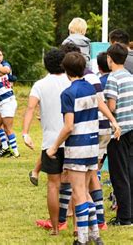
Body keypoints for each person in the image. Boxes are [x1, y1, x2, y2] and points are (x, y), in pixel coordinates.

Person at [47, 52, 120, 244]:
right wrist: (113, 122)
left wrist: (54, 147)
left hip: (77, 147)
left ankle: (82, 238)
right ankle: (95, 235)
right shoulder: (91, 87)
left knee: (78, 193)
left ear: (66, 70)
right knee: (86, 191)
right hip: (92, 145)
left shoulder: (68, 93)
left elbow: (69, 126)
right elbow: (101, 104)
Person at [22, 48, 71, 235]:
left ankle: (56, 228)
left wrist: (25, 132)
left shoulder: (39, 85)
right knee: (73, 182)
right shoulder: (71, 82)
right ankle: (74, 224)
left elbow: (30, 108)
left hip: (51, 142)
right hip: (71, 139)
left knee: (53, 185)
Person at [104, 43, 133, 226]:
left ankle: (124, 217)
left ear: (110, 59)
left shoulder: (113, 78)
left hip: (118, 132)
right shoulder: (130, 77)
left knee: (119, 174)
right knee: (130, 172)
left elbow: (112, 107)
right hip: (131, 127)